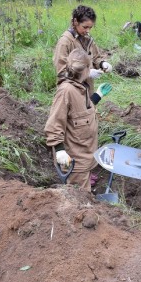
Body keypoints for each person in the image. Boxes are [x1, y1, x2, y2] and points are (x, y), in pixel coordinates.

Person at [45, 48, 112, 190]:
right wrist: (59, 150)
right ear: (86, 69)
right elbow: (54, 122)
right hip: (75, 160)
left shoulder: (81, 87)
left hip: (86, 154)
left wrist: (97, 95)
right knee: (80, 200)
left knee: (85, 192)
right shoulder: (66, 91)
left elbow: (81, 111)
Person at [53, 5, 113, 93]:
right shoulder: (65, 42)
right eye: (85, 27)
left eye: (90, 27)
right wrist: (86, 73)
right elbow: (61, 72)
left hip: (87, 91)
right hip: (71, 92)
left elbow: (96, 58)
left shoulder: (88, 39)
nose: (88, 31)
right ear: (75, 21)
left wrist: (102, 64)